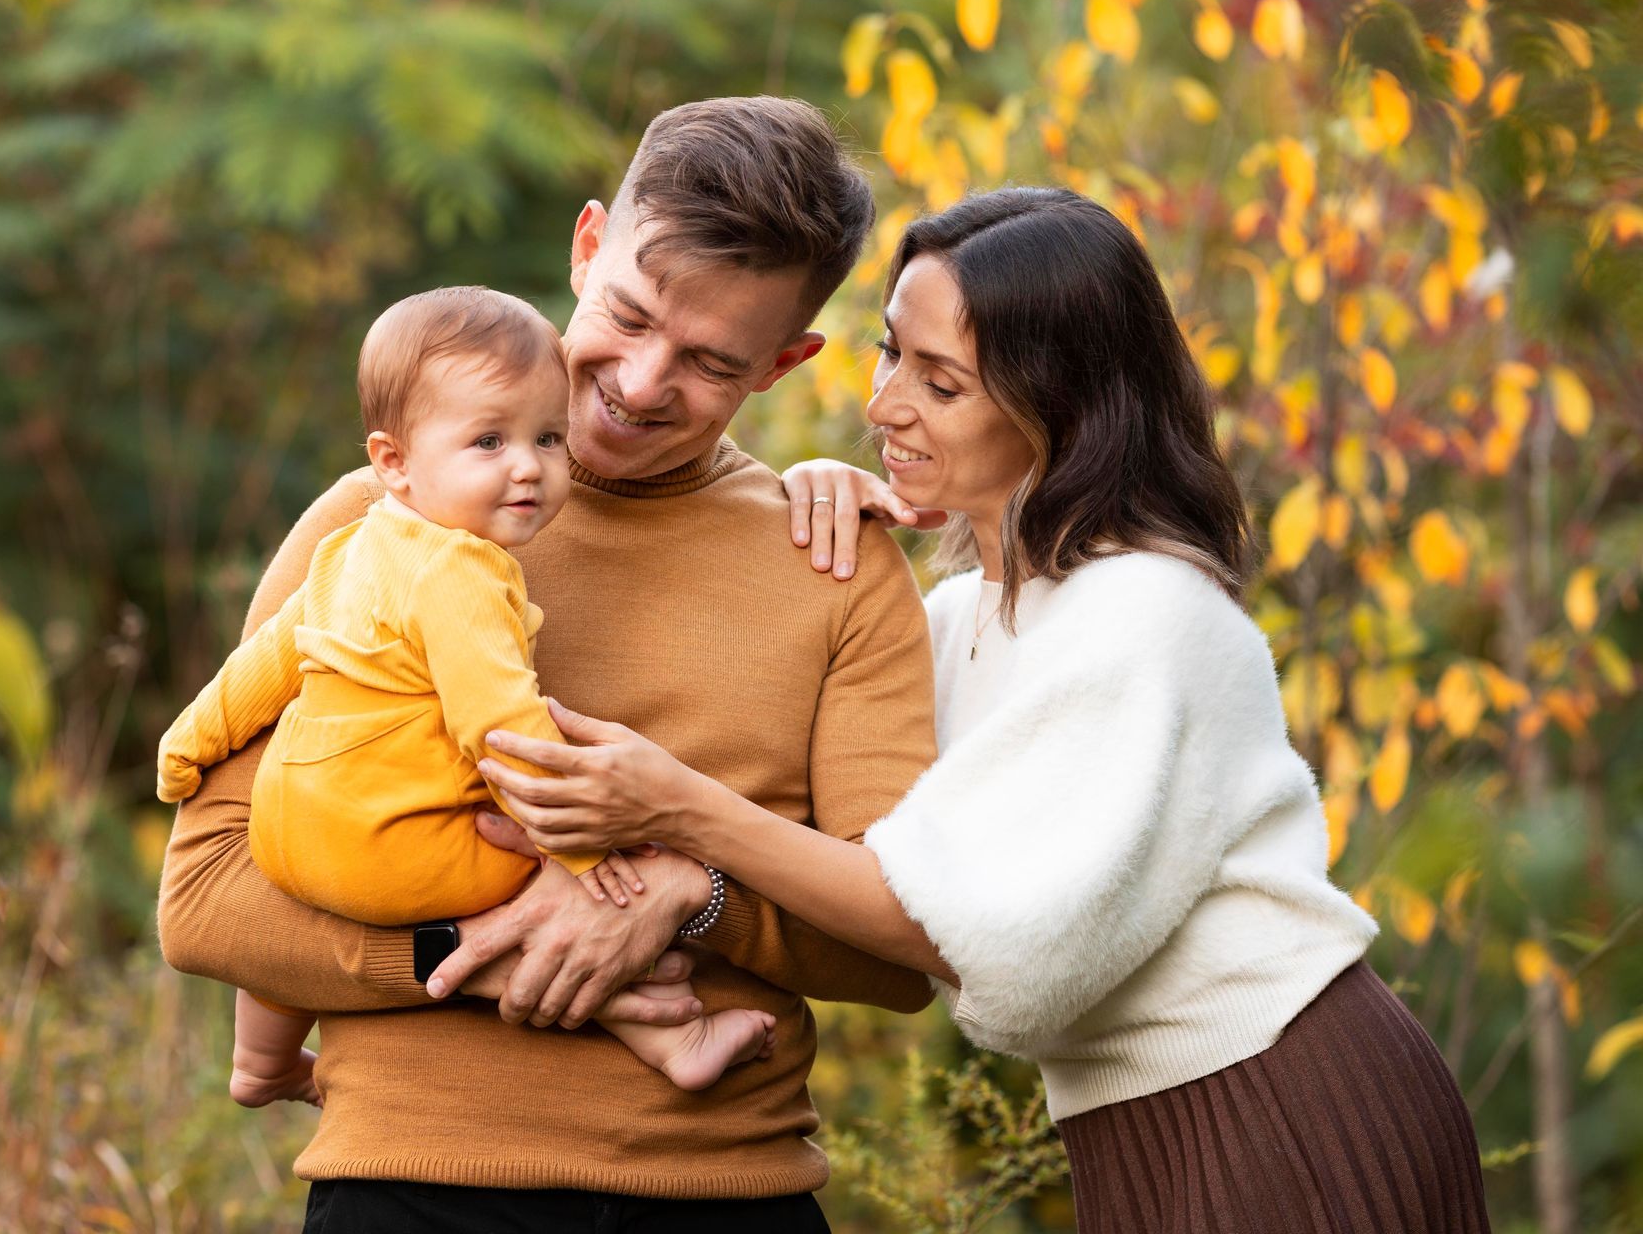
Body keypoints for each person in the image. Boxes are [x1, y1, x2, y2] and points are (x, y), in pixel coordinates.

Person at [460, 188, 1495, 1232]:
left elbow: (968, 938)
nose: (885, 406)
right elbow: (835, 840)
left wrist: (678, 813)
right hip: (1134, 1118)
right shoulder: (957, 617)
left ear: (1061, 407)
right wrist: (791, 506)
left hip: (1281, 1092)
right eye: (890, 353)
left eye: (942, 382)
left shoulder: (1146, 613)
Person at [156, 97, 937, 1233]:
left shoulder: (837, 564)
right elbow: (206, 904)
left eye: (711, 362)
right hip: (409, 1188)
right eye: (627, 314)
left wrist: (693, 891)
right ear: (586, 247)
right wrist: (478, 942)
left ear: (785, 361)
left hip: (726, 1193)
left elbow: (905, 946)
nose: (638, 381)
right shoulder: (376, 522)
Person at [154, 286, 776, 1105]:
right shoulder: (463, 570)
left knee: (322, 879)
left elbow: (265, 667)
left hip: (286, 834)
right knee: (577, 905)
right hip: (397, 846)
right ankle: (670, 1034)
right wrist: (582, 856)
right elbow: (500, 729)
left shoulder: (353, 543)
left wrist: (187, 746)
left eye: (547, 437)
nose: (529, 466)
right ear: (395, 460)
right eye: (488, 441)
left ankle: (262, 1064)